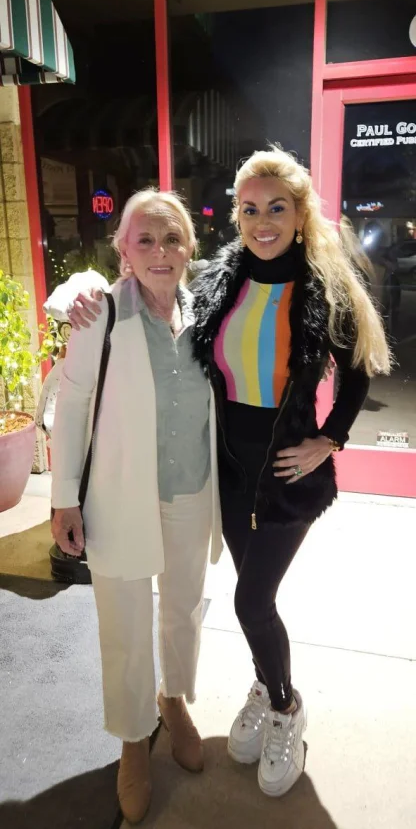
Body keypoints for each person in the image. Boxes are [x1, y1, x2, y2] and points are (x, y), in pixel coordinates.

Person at [65, 145, 390, 800]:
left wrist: (330, 438)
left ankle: (266, 705)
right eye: (249, 209)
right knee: (181, 612)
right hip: (200, 481)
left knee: (235, 603)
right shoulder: (208, 286)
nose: (262, 221)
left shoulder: (307, 290)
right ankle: (174, 720)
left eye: (276, 208)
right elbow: (83, 386)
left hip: (263, 480)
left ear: (300, 214)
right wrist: (81, 290)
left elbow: (358, 367)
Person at [50, 189, 222, 825]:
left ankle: (173, 700)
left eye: (172, 238)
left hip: (192, 489)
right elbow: (72, 406)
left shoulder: (206, 311)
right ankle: (131, 738)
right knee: (123, 621)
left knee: (183, 607)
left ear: (189, 248)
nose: (159, 251)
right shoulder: (101, 313)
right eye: (144, 239)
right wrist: (63, 498)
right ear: (122, 248)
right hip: (120, 495)